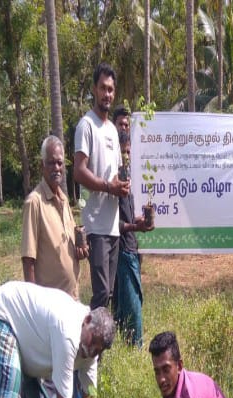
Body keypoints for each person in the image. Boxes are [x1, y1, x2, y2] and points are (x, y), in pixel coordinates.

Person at [74, 63, 130, 310]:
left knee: (107, 294)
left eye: (111, 90)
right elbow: (79, 171)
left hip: (113, 226)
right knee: (101, 293)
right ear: (94, 90)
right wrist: (109, 187)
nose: (107, 94)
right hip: (95, 225)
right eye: (102, 88)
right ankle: (85, 344)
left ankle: (97, 345)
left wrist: (123, 185)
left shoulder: (112, 130)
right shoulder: (86, 125)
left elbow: (117, 171)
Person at [22, 135, 88, 300]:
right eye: (51, 163)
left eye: (60, 163)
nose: (56, 168)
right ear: (41, 165)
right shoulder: (34, 202)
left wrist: (80, 251)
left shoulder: (64, 200)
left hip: (72, 298)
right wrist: (34, 304)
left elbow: (72, 246)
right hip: (49, 304)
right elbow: (28, 259)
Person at [113, 130, 153, 346]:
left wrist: (139, 222)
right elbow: (111, 223)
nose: (126, 156)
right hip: (122, 250)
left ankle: (121, 346)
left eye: (129, 151)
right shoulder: (113, 181)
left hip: (131, 248)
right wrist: (132, 226)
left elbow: (127, 215)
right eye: (123, 152)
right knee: (133, 309)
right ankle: (135, 352)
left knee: (124, 307)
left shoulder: (127, 177)